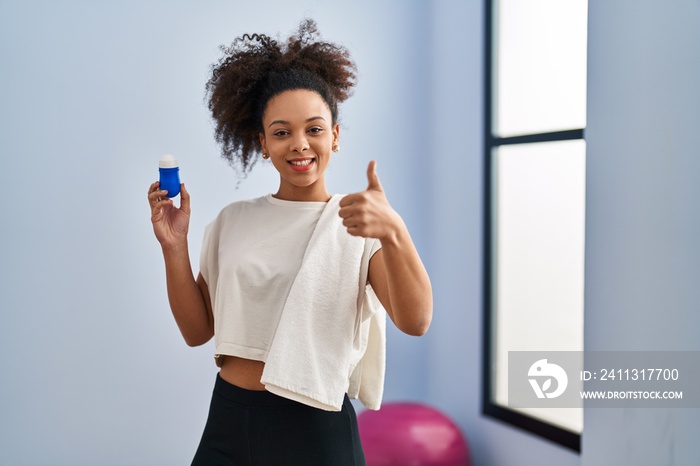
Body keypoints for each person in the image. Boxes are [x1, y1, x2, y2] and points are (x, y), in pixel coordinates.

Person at [147, 19, 432, 466]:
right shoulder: (232, 221)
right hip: (229, 419)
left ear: (334, 136)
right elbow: (197, 331)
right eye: (282, 132)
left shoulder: (356, 223)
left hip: (315, 428)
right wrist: (173, 245)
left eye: (314, 129)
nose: (300, 144)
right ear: (263, 142)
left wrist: (393, 230)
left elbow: (415, 321)